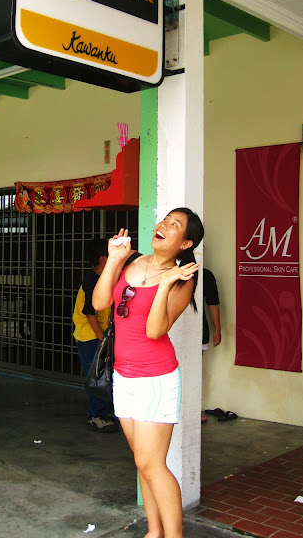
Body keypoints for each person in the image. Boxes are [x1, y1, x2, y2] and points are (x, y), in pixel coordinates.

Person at [93, 207, 203, 538]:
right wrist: (114, 259)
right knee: (142, 461)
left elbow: (155, 330)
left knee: (151, 464)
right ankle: (155, 531)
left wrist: (165, 283)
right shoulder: (131, 261)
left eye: (174, 225)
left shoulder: (183, 278)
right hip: (123, 376)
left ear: (185, 243)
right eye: (165, 219)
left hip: (156, 378)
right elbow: (99, 304)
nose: (163, 225)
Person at [73, 238, 119, 433]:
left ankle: (106, 412)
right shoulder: (92, 280)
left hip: (99, 335)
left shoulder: (103, 278)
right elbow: (89, 313)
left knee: (106, 376)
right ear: (103, 258)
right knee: (97, 377)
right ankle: (96, 416)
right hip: (90, 336)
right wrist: (103, 339)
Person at [201, 267, 222, 423]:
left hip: (199, 330)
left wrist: (217, 329)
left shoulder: (206, 275)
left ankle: (193, 409)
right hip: (168, 329)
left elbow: (213, 303)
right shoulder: (169, 271)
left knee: (194, 371)